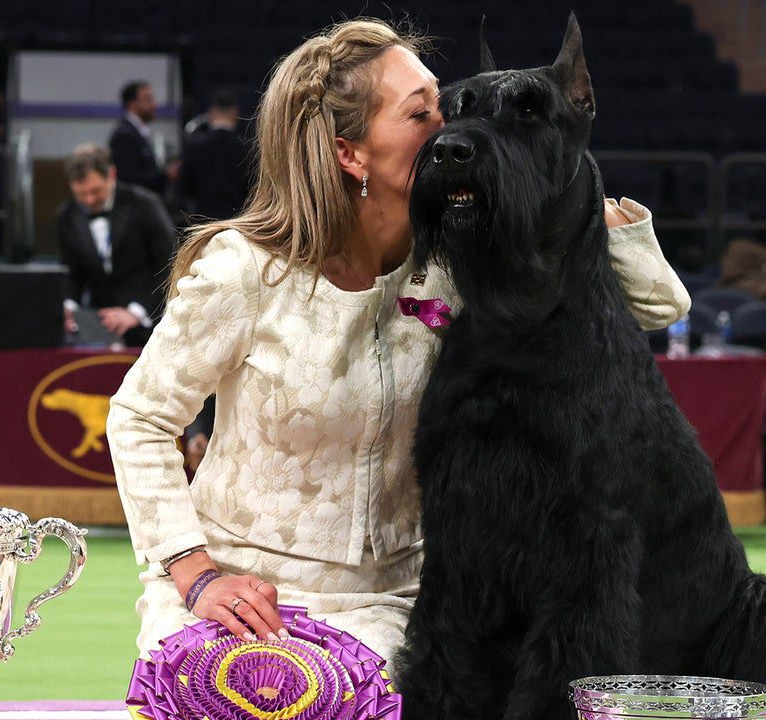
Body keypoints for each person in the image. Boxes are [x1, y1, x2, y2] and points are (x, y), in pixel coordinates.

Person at [105, 19, 691, 676]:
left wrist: (576, 196)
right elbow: (139, 418)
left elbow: (655, 308)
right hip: (238, 602)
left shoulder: (466, 255)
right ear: (350, 153)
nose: (450, 126)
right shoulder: (243, 270)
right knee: (248, 692)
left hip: (398, 606)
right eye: (422, 113)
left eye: (445, 104)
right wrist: (194, 574)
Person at [54, 143, 176, 347]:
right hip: (100, 326)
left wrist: (136, 312)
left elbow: (170, 265)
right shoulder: (66, 217)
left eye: (96, 191)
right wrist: (68, 307)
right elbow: (71, 274)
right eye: (81, 194)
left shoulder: (145, 204)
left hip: (152, 324)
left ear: (111, 174)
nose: (89, 200)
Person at [178, 91, 249, 220]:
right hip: (236, 220)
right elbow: (252, 187)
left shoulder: (194, 147)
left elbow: (185, 186)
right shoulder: (246, 148)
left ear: (212, 113)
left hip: (201, 219)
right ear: (235, 113)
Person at [110, 81, 179, 195]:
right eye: (148, 99)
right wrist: (165, 175)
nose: (154, 105)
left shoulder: (137, 133)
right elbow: (129, 179)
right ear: (132, 104)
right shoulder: (124, 136)